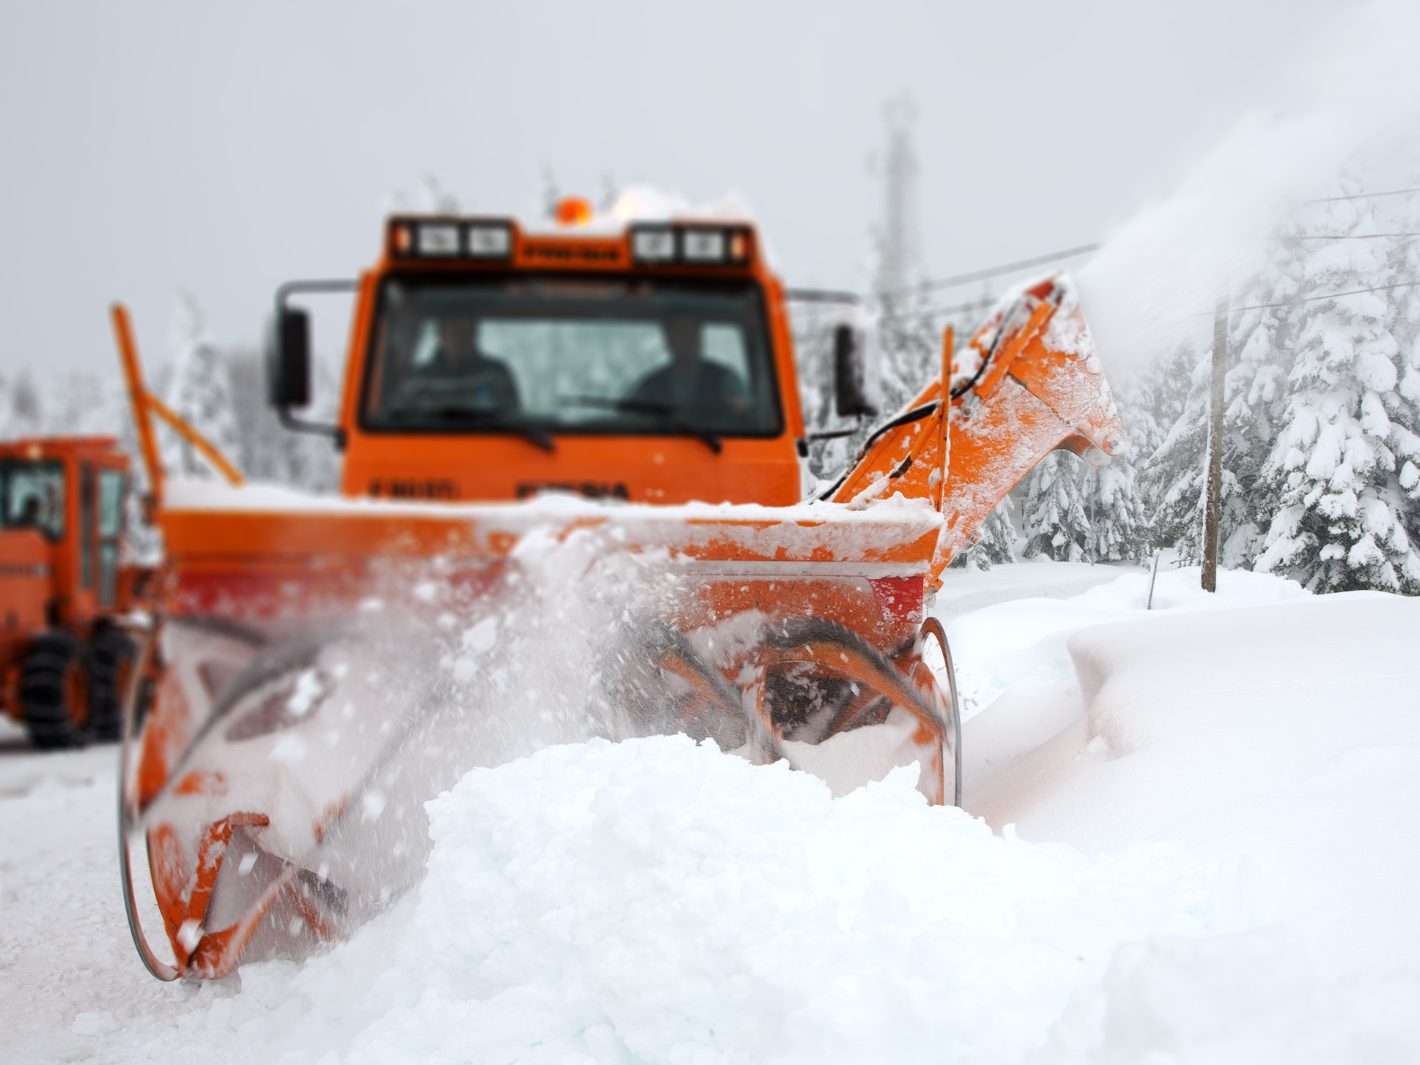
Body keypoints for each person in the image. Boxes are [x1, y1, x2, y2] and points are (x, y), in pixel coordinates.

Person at [627, 318, 749, 420]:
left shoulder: (725, 379)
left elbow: (745, 415)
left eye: (692, 332)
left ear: (700, 336)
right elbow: (629, 419)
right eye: (681, 333)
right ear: (668, 339)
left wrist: (737, 410)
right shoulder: (650, 386)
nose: (688, 339)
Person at [395, 315, 520, 411]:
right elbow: (400, 423)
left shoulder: (495, 374)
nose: (459, 338)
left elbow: (512, 416)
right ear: (441, 335)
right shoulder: (419, 379)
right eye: (453, 331)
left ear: (474, 335)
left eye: (465, 331)